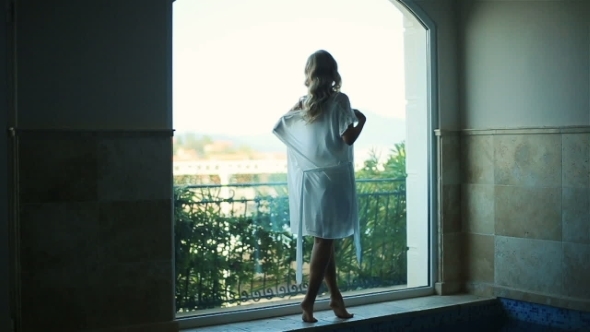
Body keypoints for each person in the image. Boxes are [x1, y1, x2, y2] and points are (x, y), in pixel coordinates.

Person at [272, 50, 367, 323]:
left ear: (310, 73)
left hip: (312, 180)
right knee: (325, 240)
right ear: (333, 71)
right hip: (334, 179)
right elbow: (348, 139)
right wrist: (362, 121)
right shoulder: (340, 100)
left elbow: (281, 126)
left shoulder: (304, 103)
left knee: (325, 240)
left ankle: (336, 298)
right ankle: (308, 302)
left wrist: (308, 156)